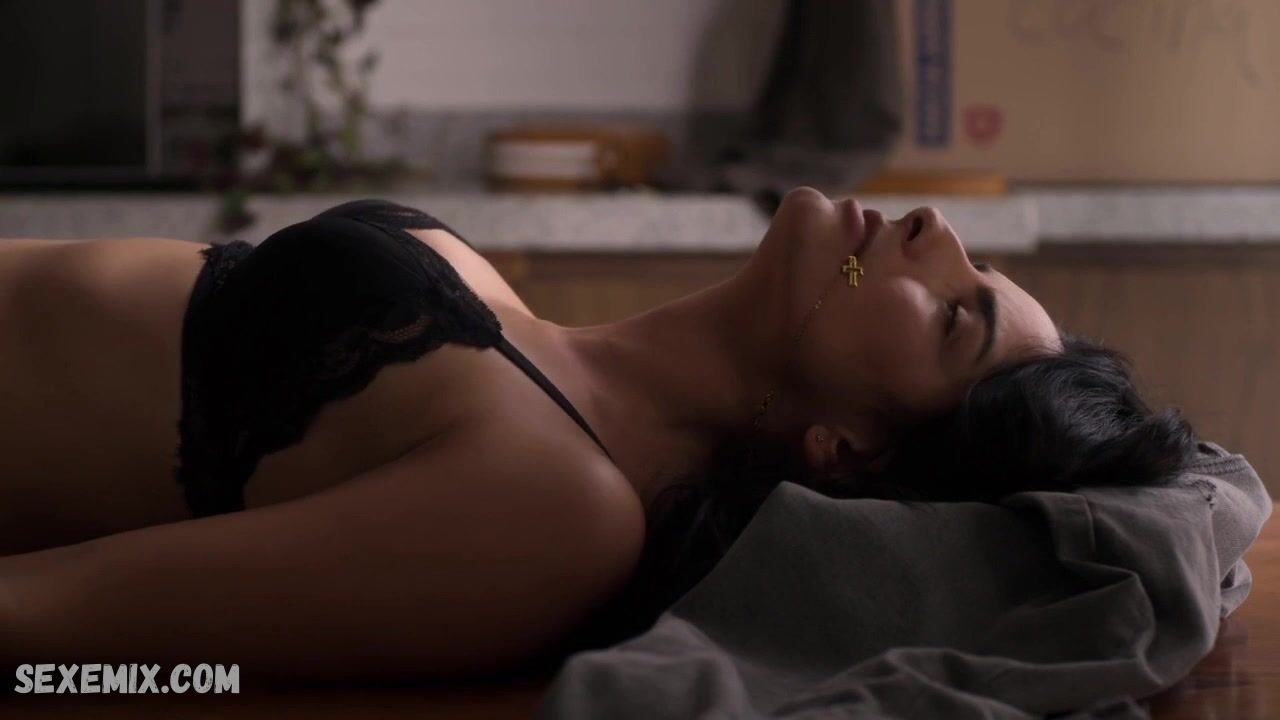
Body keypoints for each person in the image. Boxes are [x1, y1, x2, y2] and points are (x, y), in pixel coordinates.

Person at [0, 188, 1196, 684]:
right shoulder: (536, 349)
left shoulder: (557, 515)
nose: (934, 226)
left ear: (845, 452)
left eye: (951, 318)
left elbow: (51, 624)